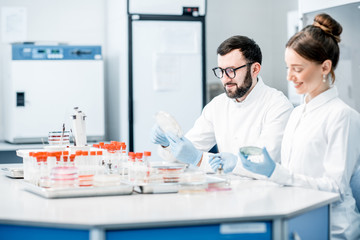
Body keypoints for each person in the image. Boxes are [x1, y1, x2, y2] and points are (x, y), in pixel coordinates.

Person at [211, 14, 360, 239]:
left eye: (297, 69)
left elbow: (336, 189)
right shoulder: (299, 112)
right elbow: (291, 175)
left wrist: (276, 172)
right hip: (299, 221)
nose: (290, 77)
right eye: (287, 68)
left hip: (332, 229)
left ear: (325, 67)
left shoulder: (342, 116)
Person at [151, 35, 293, 175]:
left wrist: (200, 159)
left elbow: (263, 164)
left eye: (231, 70)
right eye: (221, 71)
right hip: (228, 191)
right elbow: (184, 156)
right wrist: (168, 144)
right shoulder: (217, 106)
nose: (225, 78)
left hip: (267, 194)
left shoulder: (278, 106)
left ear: (255, 69)